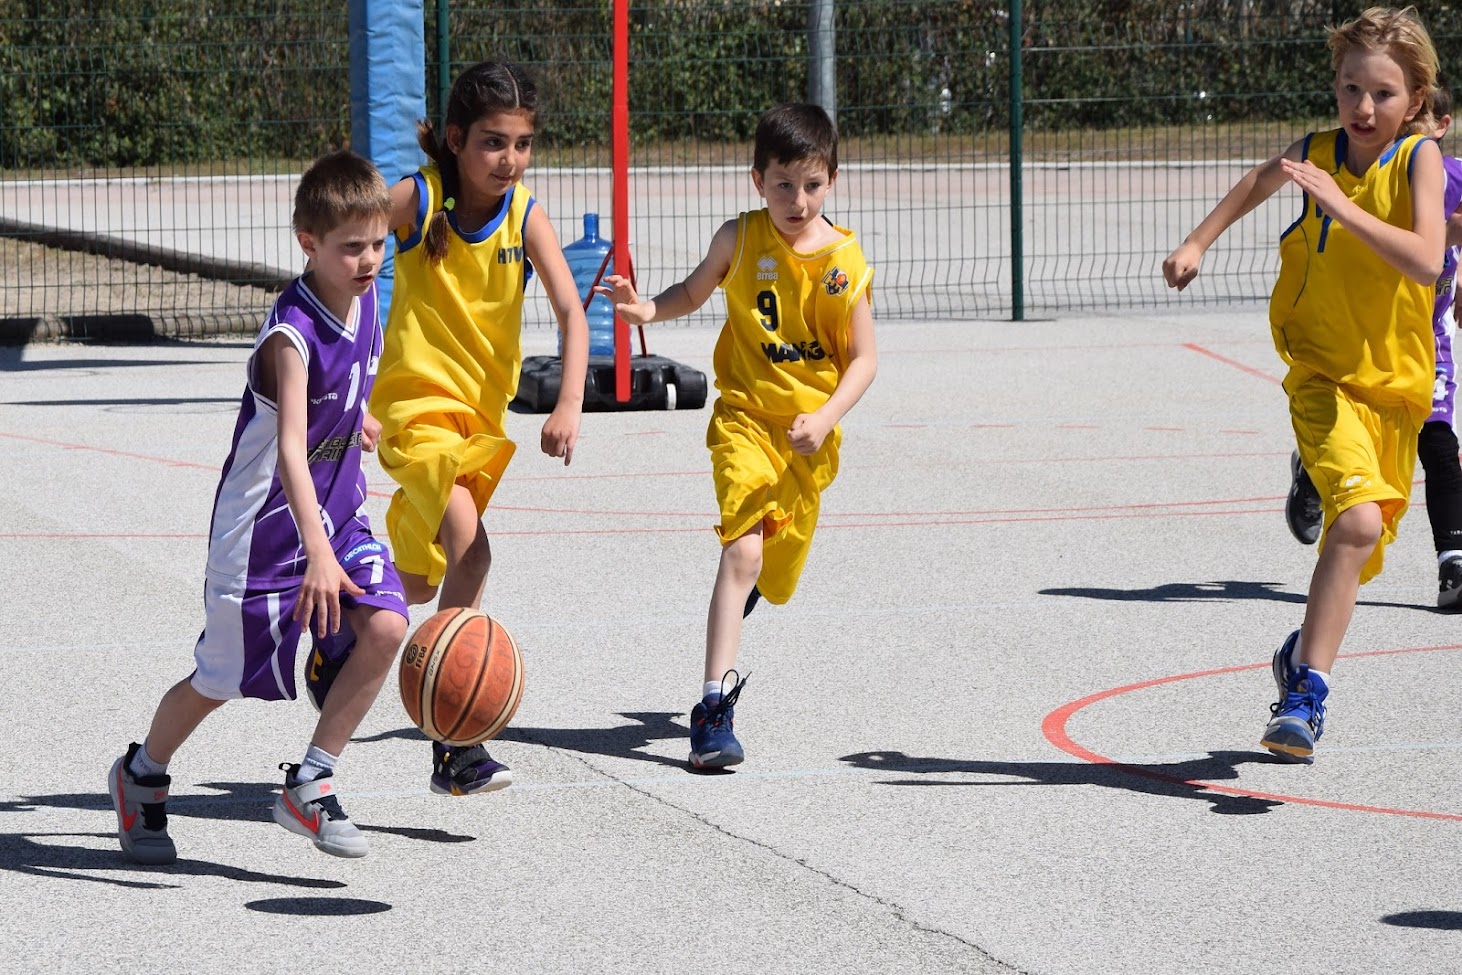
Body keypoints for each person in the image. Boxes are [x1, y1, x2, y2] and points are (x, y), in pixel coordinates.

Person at [108, 150, 410, 863]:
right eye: (352, 247)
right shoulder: (290, 336)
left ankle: (311, 780)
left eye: (377, 243)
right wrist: (318, 553)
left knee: (388, 624)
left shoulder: (366, 298)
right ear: (309, 243)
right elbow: (291, 450)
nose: (369, 260)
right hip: (263, 535)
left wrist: (359, 418)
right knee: (219, 680)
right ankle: (141, 774)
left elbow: (343, 391)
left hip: (335, 514)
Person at [1162, 6, 1443, 764]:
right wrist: (1197, 241)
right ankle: (1305, 695)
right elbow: (1260, 179)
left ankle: (1296, 653)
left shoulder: (1418, 160)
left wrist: (1342, 207)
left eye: (1383, 93)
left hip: (1396, 387)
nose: (1363, 106)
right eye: (1350, 88)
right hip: (1321, 373)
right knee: (1355, 524)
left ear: (1416, 100)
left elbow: (1425, 260)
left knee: (1362, 542)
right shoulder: (1318, 153)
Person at [323, 61, 587, 796]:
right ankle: (454, 745)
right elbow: (345, 247)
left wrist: (569, 400)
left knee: (415, 578)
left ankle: (337, 633)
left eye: (522, 144)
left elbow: (571, 310)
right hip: (413, 412)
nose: (509, 160)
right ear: (455, 139)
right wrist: (347, 383)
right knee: (473, 552)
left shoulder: (526, 215)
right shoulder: (419, 197)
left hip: (479, 421)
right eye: (493, 142)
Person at [597, 103, 877, 769]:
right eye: (783, 185)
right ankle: (712, 710)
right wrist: (647, 309)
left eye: (811, 185)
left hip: (807, 439)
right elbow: (693, 291)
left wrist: (826, 417)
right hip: (744, 421)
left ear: (832, 180)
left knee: (774, 578)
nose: (797, 200)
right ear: (758, 180)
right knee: (743, 552)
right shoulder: (739, 237)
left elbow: (864, 360)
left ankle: (747, 579)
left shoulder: (844, 262)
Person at [1285, 81, 1462, 610]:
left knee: (1439, 443)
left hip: (1427, 340)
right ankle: (1315, 473)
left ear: (1437, 125)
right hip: (1368, 337)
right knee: (1357, 454)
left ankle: (1452, 560)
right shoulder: (1369, 168)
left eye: (1420, 125)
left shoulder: (1444, 172)